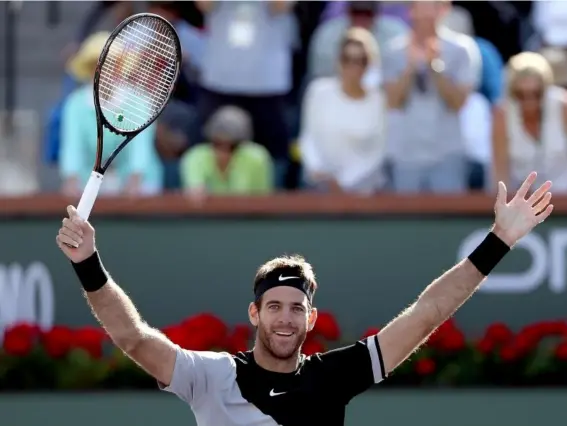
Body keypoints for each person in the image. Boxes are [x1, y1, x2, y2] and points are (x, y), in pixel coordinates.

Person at [56, 171, 552, 426]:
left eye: (296, 308)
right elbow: (132, 337)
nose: (285, 319)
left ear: (311, 319)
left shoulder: (333, 378)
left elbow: (428, 314)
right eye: (274, 307)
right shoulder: (210, 377)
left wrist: (499, 242)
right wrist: (87, 262)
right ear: (255, 313)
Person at [300, 28, 387, 194]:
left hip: (363, 191)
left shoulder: (379, 99)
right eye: (347, 59)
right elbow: (308, 137)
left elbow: (377, 151)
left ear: (369, 64)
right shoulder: (318, 91)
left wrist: (344, 182)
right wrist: (319, 171)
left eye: (360, 60)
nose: (352, 67)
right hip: (319, 185)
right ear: (338, 61)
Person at [492, 52, 567, 193]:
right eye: (521, 95)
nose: (529, 101)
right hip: (523, 204)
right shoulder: (502, 115)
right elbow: (500, 172)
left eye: (536, 94)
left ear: (545, 89)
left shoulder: (562, 106)